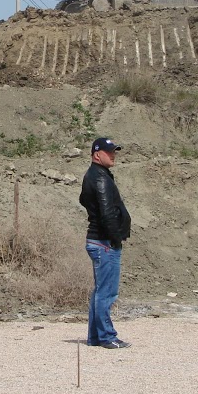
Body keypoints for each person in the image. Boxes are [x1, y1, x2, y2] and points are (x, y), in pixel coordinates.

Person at [79, 137, 132, 349]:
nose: (113, 155)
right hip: (104, 242)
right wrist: (115, 238)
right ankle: (106, 336)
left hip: (99, 240)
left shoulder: (96, 175)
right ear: (96, 154)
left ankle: (95, 336)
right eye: (109, 152)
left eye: (114, 152)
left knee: (101, 290)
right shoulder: (99, 178)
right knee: (107, 292)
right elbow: (106, 211)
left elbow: (83, 199)